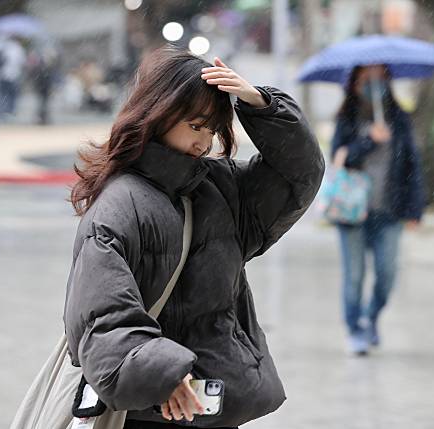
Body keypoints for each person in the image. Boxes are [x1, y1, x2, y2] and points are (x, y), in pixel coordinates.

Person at [64, 46, 324, 428]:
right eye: (196, 126)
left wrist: (262, 105)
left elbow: (299, 175)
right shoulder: (120, 206)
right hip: (151, 412)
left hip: (215, 405)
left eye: (214, 129)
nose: (205, 142)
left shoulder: (221, 188)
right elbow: (101, 319)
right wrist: (162, 375)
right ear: (160, 114)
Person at [330, 65, 425, 355]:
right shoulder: (346, 118)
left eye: (379, 78)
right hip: (352, 211)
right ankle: (354, 329)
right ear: (355, 83)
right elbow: (338, 158)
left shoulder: (399, 118)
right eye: (366, 78)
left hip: (389, 210)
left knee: (387, 275)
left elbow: (412, 164)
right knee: (354, 276)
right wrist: (369, 139)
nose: (373, 84)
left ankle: (370, 317)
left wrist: (415, 208)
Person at [0, 34, 26, 122]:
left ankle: (2, 114)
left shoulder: (2, 47)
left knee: (3, 95)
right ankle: (8, 113)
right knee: (10, 96)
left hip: (3, 75)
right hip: (12, 75)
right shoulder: (16, 48)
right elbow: (22, 62)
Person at [27, 39, 60, 125]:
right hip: (41, 83)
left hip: (44, 84)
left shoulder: (45, 60)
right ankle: (42, 118)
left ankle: (43, 118)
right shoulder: (40, 60)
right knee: (42, 102)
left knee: (44, 102)